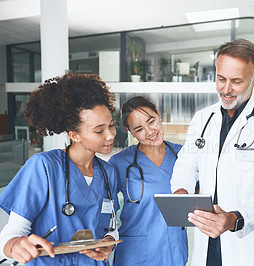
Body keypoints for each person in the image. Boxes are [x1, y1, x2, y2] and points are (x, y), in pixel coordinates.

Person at [170, 38, 254, 265]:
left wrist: (233, 219)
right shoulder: (202, 119)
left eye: (236, 81)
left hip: (248, 244)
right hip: (206, 241)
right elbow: (186, 164)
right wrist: (181, 191)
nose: (226, 89)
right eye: (220, 79)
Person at [0, 72, 119, 265]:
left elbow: (110, 226)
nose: (110, 135)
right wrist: (16, 246)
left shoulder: (108, 173)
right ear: (74, 135)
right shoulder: (44, 167)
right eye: (99, 130)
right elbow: (11, 234)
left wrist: (109, 242)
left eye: (111, 126)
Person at [108, 96, 188, 266]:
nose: (150, 131)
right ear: (131, 133)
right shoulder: (119, 163)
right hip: (135, 255)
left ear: (159, 115)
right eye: (139, 129)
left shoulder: (183, 156)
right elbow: (107, 212)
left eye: (151, 121)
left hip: (174, 251)